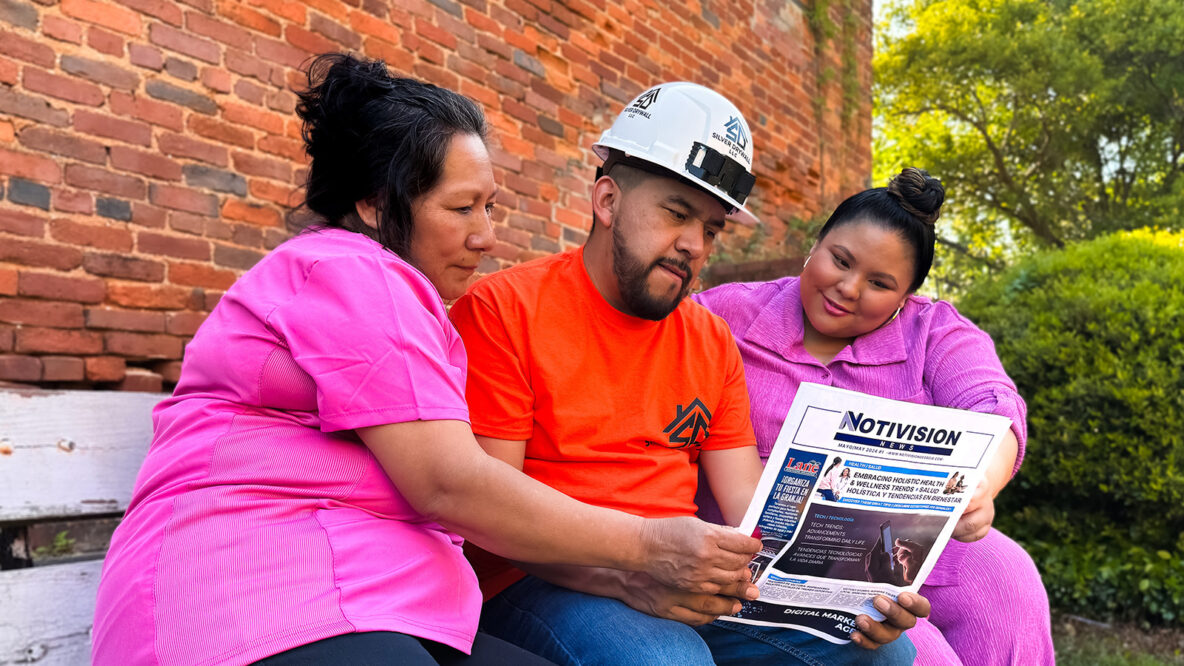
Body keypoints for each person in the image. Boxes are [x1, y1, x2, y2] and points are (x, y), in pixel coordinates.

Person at [91, 55, 764, 666]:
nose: (488, 235)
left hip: (366, 599)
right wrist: (645, 552)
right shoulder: (348, 273)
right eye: (462, 207)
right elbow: (451, 484)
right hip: (248, 600)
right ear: (377, 204)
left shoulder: (394, 296)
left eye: (490, 207)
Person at [451, 82, 925, 665]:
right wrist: (630, 573)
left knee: (885, 654)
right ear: (607, 201)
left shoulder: (709, 339)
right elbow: (491, 517)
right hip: (537, 580)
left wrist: (848, 588)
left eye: (711, 228)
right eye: (676, 214)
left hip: (681, 578)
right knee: (668, 659)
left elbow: (752, 504)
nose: (693, 245)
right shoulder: (505, 309)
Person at [693, 167, 1056, 665]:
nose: (847, 288)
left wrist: (983, 483)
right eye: (840, 260)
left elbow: (994, 403)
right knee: (918, 656)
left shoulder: (930, 332)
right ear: (816, 243)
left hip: (898, 546)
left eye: (880, 283)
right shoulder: (723, 316)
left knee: (1005, 576)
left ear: (906, 297)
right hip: (764, 567)